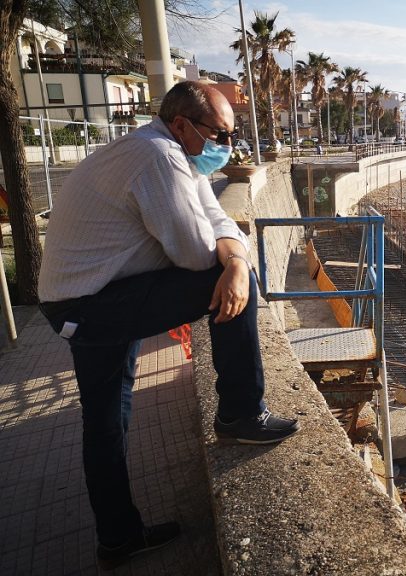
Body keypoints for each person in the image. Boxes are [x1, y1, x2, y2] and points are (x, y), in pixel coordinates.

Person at [38, 81, 299, 570]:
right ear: (181, 124)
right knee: (222, 285)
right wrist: (239, 266)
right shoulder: (157, 157)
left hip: (83, 300)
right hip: (91, 303)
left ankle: (118, 539)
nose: (227, 147)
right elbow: (197, 255)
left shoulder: (170, 151)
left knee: (106, 423)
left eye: (231, 136)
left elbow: (216, 216)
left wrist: (235, 257)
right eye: (218, 134)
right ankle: (240, 413)